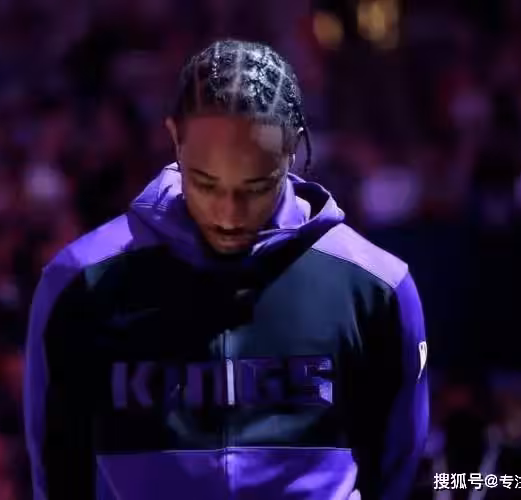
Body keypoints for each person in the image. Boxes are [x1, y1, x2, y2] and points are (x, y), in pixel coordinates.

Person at [24, 39, 429, 500]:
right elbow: (60, 474)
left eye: (257, 186)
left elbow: (396, 474)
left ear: (294, 148)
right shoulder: (80, 284)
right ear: (174, 138)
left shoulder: (376, 288)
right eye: (206, 183)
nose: (230, 214)